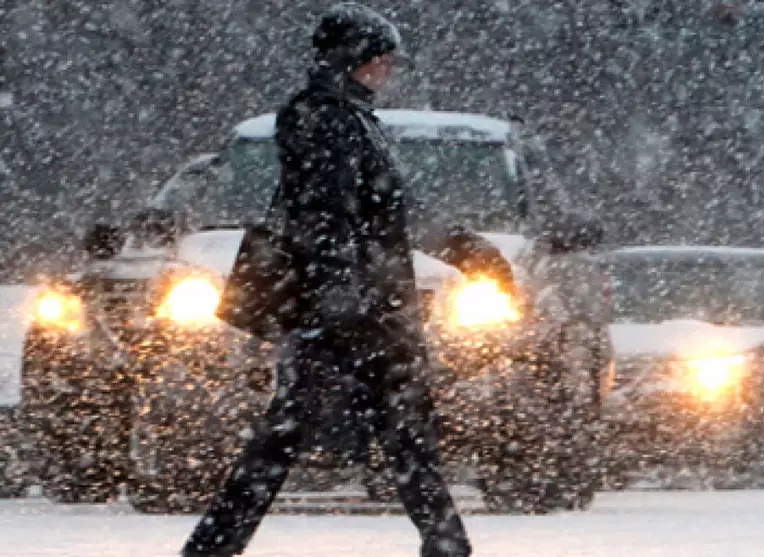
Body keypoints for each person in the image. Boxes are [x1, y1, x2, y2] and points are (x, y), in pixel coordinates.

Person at [180, 4, 515, 556]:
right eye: (380, 59)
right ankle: (212, 547)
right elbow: (324, 214)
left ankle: (446, 544)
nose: (387, 70)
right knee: (332, 433)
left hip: (364, 305)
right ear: (352, 59)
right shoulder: (321, 117)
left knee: (373, 432)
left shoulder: (353, 118)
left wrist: (464, 247)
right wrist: (338, 296)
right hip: (347, 310)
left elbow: (387, 209)